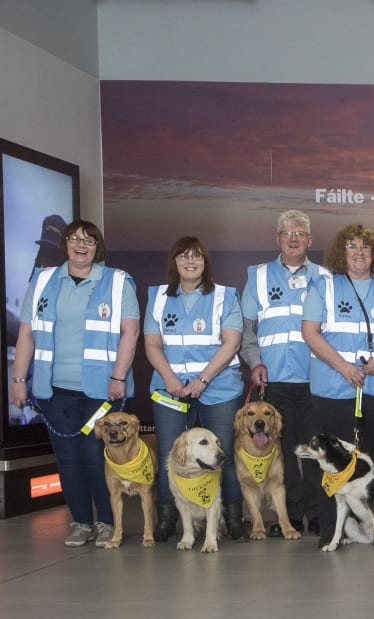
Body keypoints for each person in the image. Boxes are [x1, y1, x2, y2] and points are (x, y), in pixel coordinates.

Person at [9, 220, 139, 547]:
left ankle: (107, 522)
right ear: (65, 244)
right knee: (67, 460)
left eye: (89, 240)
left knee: (95, 458)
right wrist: (19, 380)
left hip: (102, 394)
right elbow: (26, 333)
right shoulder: (42, 282)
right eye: (75, 239)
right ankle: (81, 522)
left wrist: (119, 376)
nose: (81, 245)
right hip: (55, 393)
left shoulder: (117, 282)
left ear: (98, 247)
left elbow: (130, 332)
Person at [301, 224, 374, 544]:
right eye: (352, 246)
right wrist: (342, 367)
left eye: (365, 247)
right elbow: (310, 332)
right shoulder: (322, 285)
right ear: (342, 252)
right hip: (333, 386)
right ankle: (330, 533)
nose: (359, 252)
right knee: (331, 460)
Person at [145, 237, 247, 542]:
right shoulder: (158, 296)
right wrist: (171, 379)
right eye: (183, 256)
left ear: (206, 262)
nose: (190, 261)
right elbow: (151, 345)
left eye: (197, 256)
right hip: (170, 390)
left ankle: (232, 517)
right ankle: (167, 517)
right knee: (170, 454)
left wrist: (202, 380)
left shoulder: (225, 296)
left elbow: (232, 342)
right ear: (174, 262)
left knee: (221, 454)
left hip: (219, 388)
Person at [239, 209, 327, 537]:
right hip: (273, 380)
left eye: (299, 233)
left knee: (317, 451)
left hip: (315, 380)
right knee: (284, 454)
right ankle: (287, 516)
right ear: (278, 239)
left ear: (309, 240)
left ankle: (319, 514)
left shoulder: (325, 277)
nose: (293, 238)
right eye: (287, 233)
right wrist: (255, 362)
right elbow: (247, 329)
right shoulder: (259, 277)